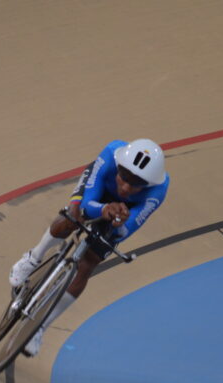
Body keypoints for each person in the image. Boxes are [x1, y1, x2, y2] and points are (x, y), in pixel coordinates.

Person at [9, 138, 170, 356]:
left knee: (89, 262)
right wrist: (103, 209)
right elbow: (87, 202)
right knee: (72, 217)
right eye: (123, 178)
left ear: (148, 185)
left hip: (125, 212)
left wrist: (119, 223)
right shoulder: (112, 152)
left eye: (135, 185)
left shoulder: (158, 190)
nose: (125, 187)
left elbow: (129, 228)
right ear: (119, 167)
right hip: (97, 192)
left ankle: (40, 328)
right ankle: (32, 258)